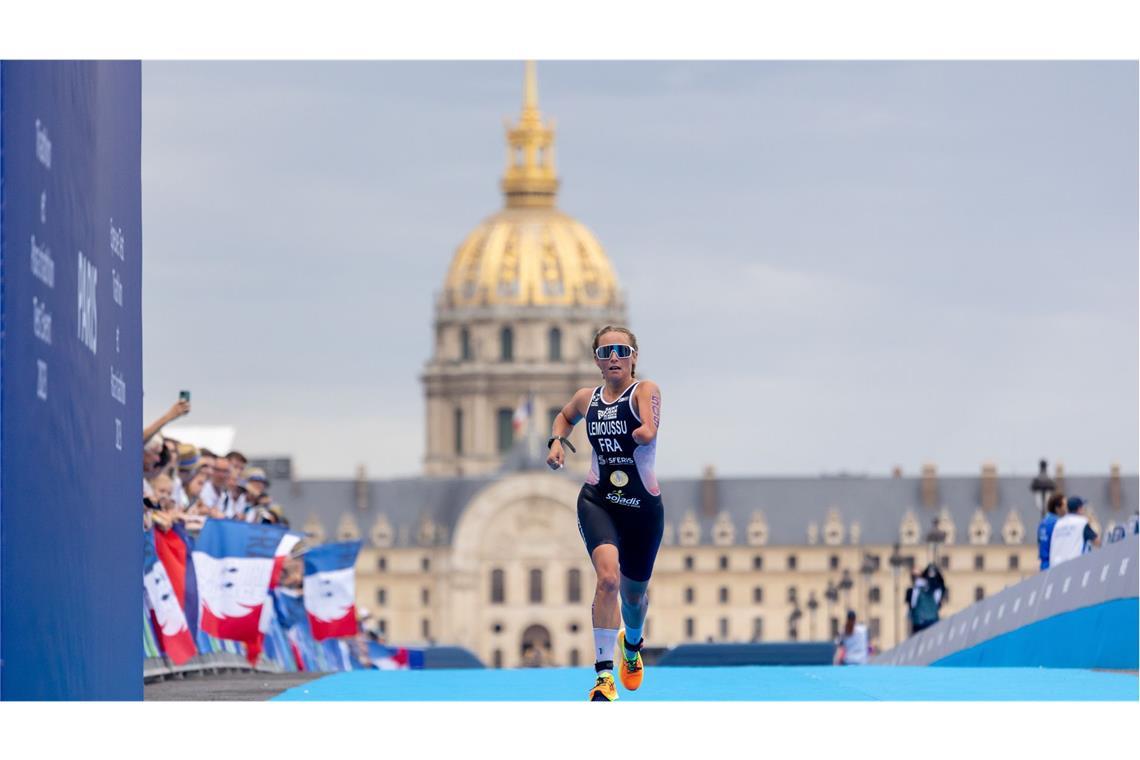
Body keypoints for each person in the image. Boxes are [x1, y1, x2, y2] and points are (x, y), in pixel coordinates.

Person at [546, 325, 663, 702]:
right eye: (606, 351)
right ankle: (603, 676)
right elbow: (564, 417)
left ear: (633, 357)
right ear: (596, 359)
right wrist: (557, 441)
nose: (614, 356)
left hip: (642, 509)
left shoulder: (644, 390)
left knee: (633, 597)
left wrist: (644, 430)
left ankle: (632, 646)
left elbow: (649, 424)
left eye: (621, 350)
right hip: (599, 500)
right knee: (608, 580)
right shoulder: (587, 398)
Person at [1049, 496, 1100, 567]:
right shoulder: (1081, 522)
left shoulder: (1058, 523)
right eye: (1083, 508)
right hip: (1073, 566)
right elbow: (1097, 541)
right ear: (1079, 509)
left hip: (1055, 565)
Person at [905, 563, 945, 635]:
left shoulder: (914, 590)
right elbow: (938, 603)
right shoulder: (935, 589)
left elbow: (912, 606)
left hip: (919, 623)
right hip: (932, 622)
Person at [1037, 493, 1066, 570]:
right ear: (1057, 508)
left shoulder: (1043, 523)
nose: (1067, 508)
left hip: (1043, 564)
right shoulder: (1058, 523)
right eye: (1064, 506)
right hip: (1053, 565)